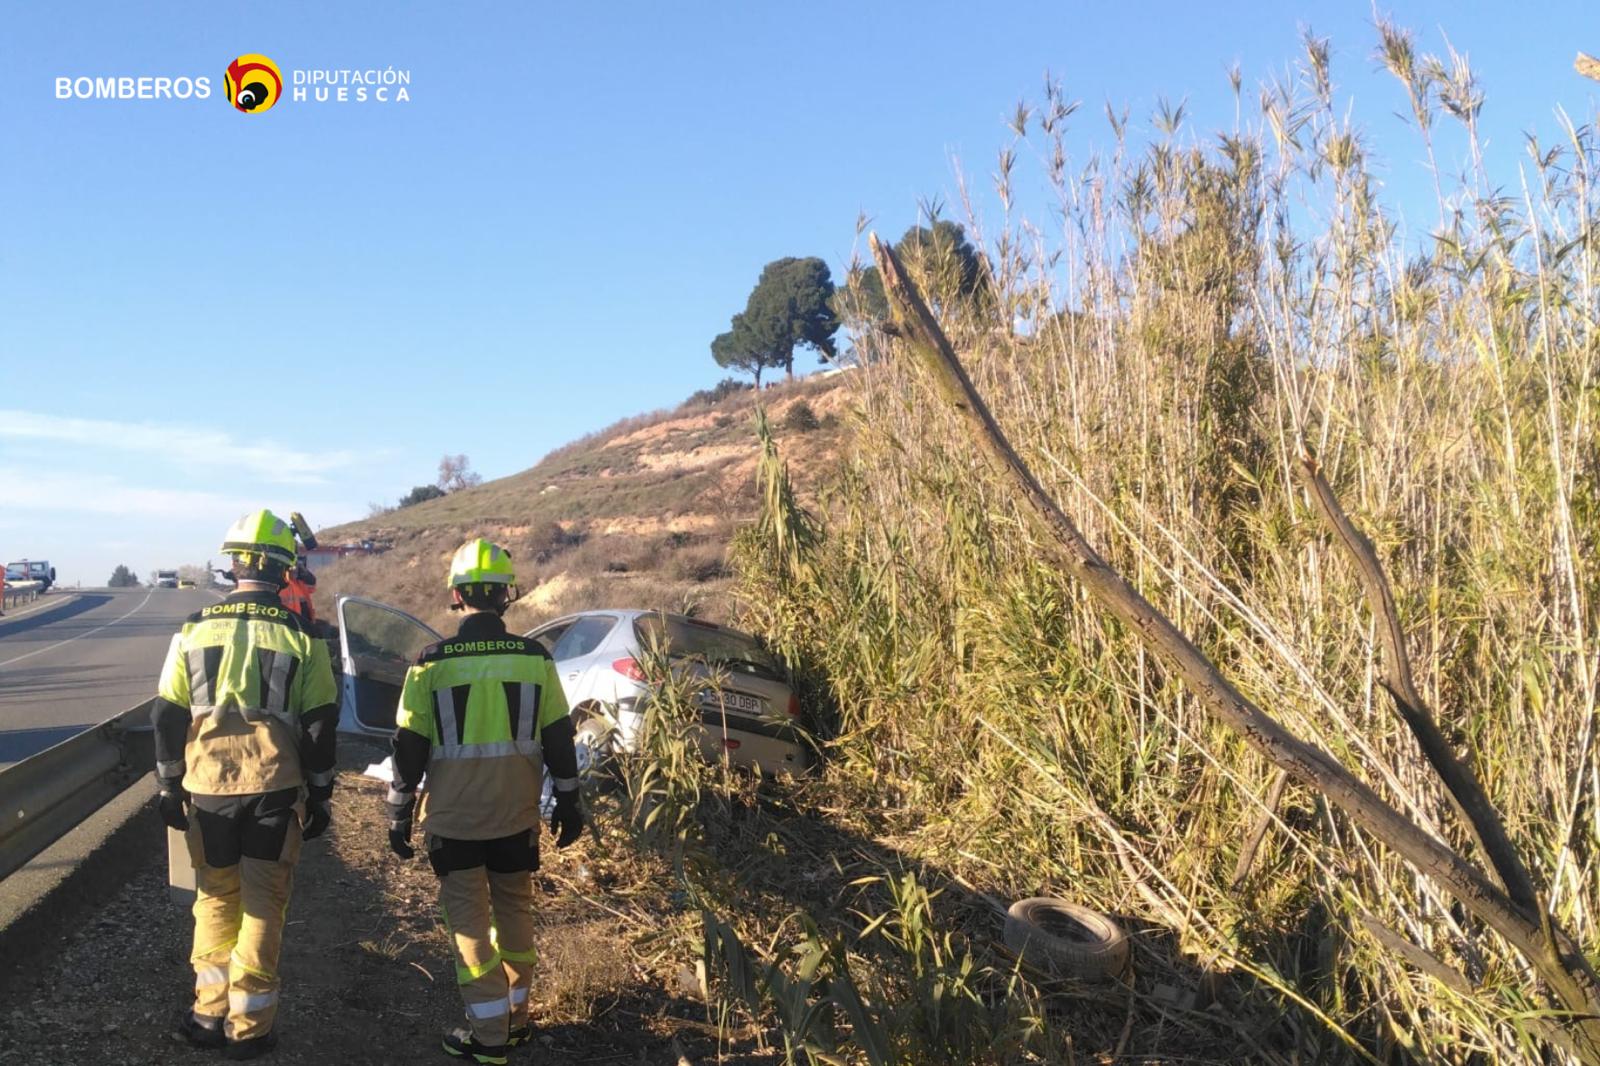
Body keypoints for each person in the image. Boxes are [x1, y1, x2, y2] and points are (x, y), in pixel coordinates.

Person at [387, 537, 584, 1065]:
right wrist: (569, 802)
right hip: (517, 814)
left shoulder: (431, 664)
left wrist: (399, 811)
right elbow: (560, 736)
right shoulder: (534, 658)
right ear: (506, 596)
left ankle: (489, 1036)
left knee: (470, 923)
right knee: (515, 910)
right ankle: (516, 1021)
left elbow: (409, 747)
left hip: (454, 819)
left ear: (457, 595)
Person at [151, 509, 339, 1059]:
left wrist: (168, 786)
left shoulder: (192, 629)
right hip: (273, 791)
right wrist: (322, 793)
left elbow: (166, 714)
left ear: (232, 564)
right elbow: (320, 721)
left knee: (213, 899)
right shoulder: (301, 635)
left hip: (207, 788)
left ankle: (207, 1016)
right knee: (264, 904)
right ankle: (250, 1029)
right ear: (285, 571)